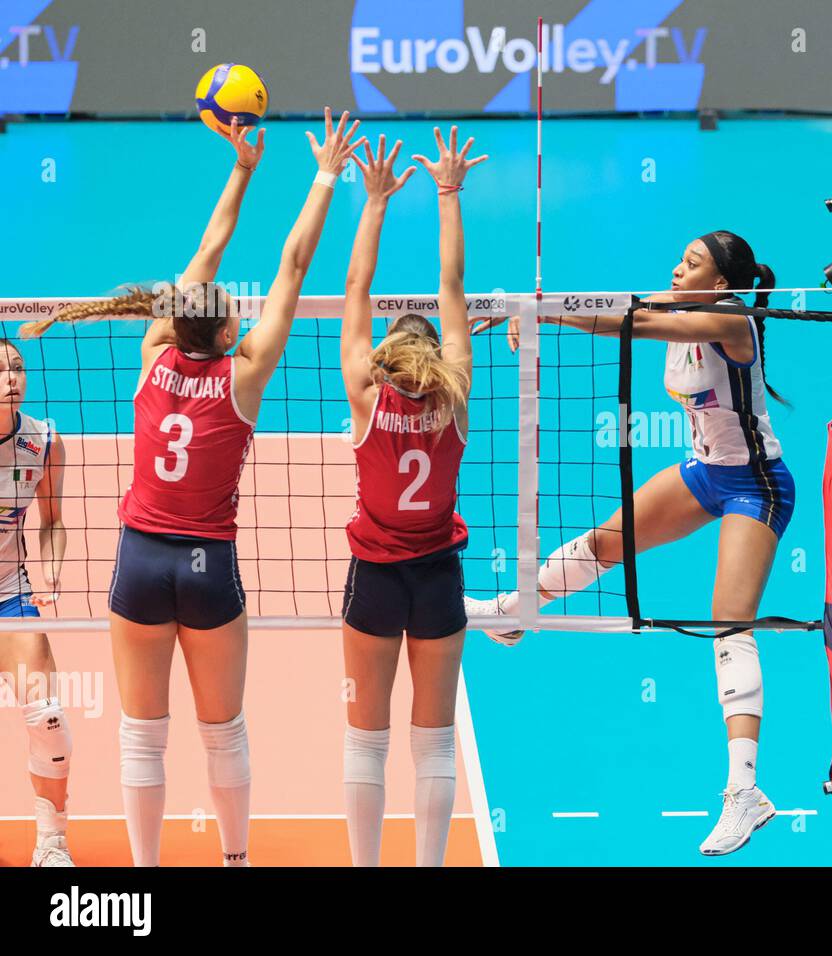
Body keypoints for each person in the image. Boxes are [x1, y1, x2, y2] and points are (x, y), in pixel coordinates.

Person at [21, 108, 363, 865]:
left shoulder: (152, 352)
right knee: (224, 731)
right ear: (229, 334)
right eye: (237, 313)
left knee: (144, 733)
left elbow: (208, 252)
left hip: (140, 560)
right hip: (208, 567)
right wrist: (326, 174)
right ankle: (235, 862)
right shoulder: (246, 377)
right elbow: (293, 266)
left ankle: (145, 875)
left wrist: (240, 168)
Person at [469, 231, 791, 856]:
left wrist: (539, 311)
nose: (677, 268)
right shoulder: (675, 308)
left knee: (729, 622)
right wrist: (533, 307)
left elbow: (631, 323)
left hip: (757, 484)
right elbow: (625, 310)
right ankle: (515, 613)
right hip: (704, 472)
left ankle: (745, 792)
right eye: (679, 257)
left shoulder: (732, 322)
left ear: (721, 284)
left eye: (692, 264)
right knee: (603, 543)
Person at [337, 128, 485, 867]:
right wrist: (449, 193)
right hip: (437, 578)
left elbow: (356, 288)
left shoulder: (365, 394)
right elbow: (453, 287)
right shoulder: (456, 394)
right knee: (433, 738)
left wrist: (374, 201)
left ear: (386, 354)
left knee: (367, 736)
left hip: (374, 577)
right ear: (436, 351)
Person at [0, 338, 72, 866]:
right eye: (2, 370)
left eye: (18, 367)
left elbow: (52, 521)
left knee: (48, 721)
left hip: (10, 596)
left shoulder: (43, 441)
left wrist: (51, 572)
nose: (12, 379)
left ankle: (51, 842)